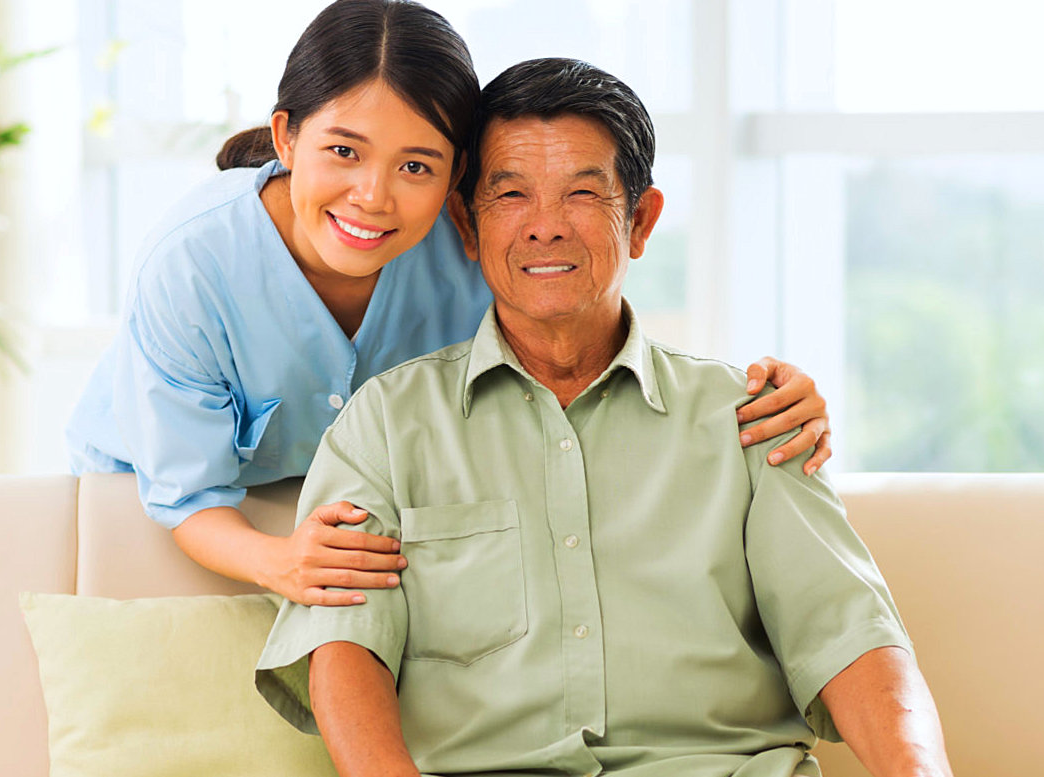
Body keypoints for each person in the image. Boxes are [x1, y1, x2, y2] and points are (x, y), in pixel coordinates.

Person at [253, 58, 954, 777]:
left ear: (642, 221)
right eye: (512, 195)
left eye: (583, 194)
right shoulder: (387, 424)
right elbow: (344, 642)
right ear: (467, 222)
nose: (546, 227)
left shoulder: (752, 417)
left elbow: (853, 638)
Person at [65, 0, 836, 608]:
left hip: (356, 508)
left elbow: (581, 344)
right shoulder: (194, 261)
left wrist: (761, 403)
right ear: (287, 136)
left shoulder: (471, 242)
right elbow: (186, 491)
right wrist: (279, 558)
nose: (373, 196)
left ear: (456, 178)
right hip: (168, 510)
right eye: (343, 150)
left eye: (416, 165)